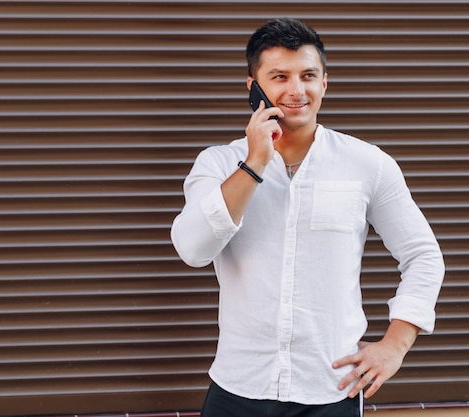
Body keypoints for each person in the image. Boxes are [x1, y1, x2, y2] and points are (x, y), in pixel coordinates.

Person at [170, 17, 444, 417]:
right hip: (238, 387)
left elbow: (423, 255)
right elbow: (192, 249)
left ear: (325, 84)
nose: (296, 91)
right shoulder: (218, 163)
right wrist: (254, 164)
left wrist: (395, 345)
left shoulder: (368, 164)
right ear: (254, 88)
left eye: (308, 76)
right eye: (279, 76)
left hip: (330, 390)